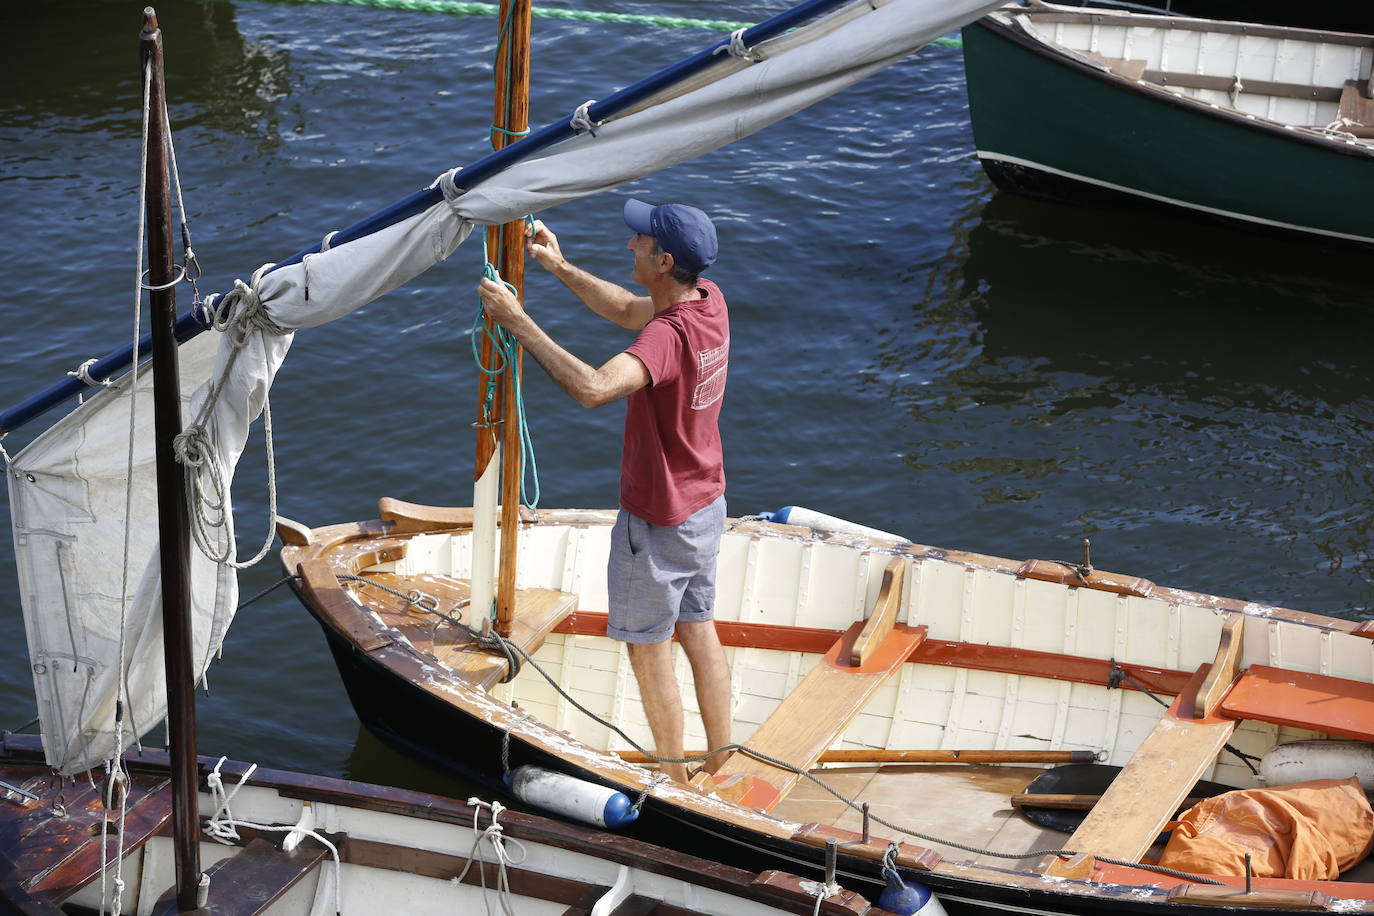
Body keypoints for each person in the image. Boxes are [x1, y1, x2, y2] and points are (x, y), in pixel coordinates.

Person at [475, 199, 732, 785]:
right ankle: (721, 761)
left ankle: (676, 783)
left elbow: (594, 388)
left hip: (660, 519)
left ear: (664, 261)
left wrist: (518, 322)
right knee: (698, 628)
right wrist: (560, 267)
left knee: (648, 648)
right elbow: (624, 308)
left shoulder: (667, 337)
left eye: (640, 240)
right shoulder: (709, 301)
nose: (629, 244)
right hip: (705, 504)